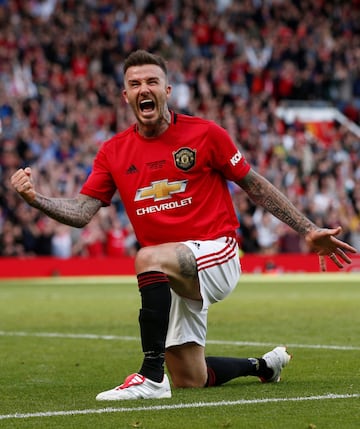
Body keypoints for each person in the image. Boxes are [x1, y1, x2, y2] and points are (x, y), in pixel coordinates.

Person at [10, 50, 357, 401]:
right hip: (172, 272)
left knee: (147, 258)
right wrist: (37, 199)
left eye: (151, 82)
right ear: (125, 96)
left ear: (168, 90)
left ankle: (150, 377)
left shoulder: (205, 134)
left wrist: (307, 229)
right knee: (191, 377)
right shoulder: (113, 151)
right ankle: (264, 366)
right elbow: (83, 211)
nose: (143, 89)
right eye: (134, 84)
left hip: (216, 252)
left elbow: (254, 184)